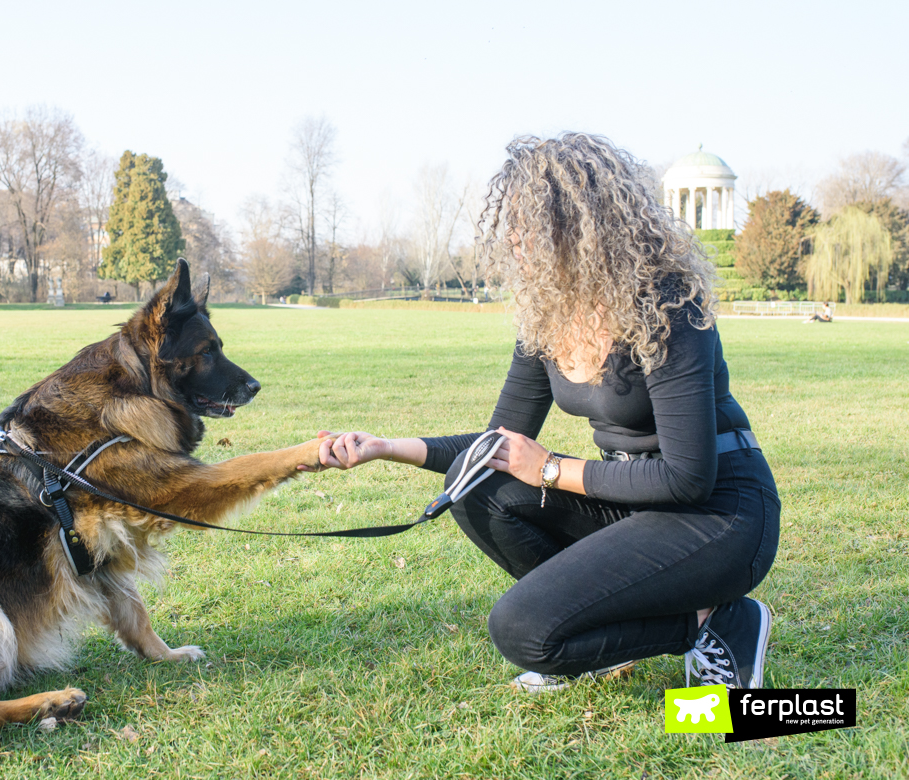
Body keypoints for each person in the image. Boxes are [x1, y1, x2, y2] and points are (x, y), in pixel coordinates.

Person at [317, 134, 780, 692]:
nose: (514, 239)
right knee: (478, 487)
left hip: (720, 514)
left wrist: (551, 470)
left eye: (530, 223)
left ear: (584, 226)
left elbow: (687, 479)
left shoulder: (669, 306)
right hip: (627, 499)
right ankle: (605, 633)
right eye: (510, 224)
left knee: (524, 631)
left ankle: (719, 621)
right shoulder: (547, 319)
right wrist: (387, 447)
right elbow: (498, 443)